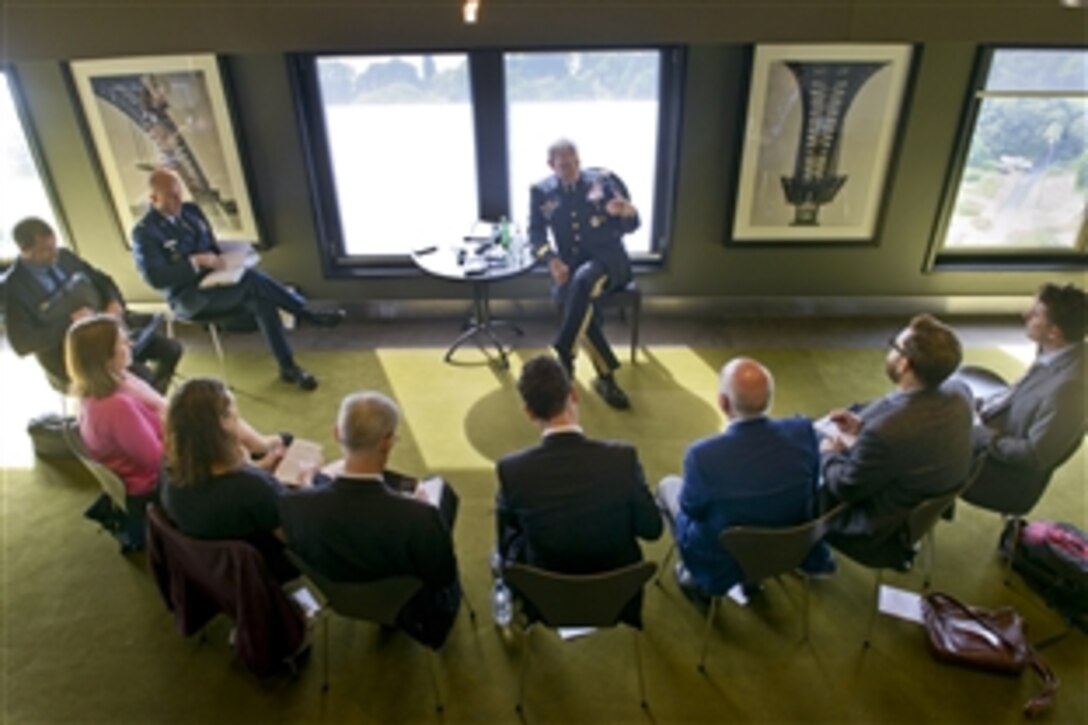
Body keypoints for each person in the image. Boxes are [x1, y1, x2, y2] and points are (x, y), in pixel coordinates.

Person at [131, 168, 344, 391]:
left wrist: (232, 255)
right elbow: (155, 278)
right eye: (171, 196)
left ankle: (288, 367)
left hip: (219, 281)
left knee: (262, 301)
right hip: (190, 298)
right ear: (153, 198)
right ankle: (306, 314)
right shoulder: (145, 233)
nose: (178, 200)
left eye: (179, 193)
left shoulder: (191, 212)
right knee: (252, 281)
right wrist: (194, 262)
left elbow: (210, 244)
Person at [279, 391, 463, 649]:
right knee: (444, 495)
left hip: (338, 591)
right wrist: (423, 508)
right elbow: (443, 576)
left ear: (336, 434)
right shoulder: (419, 517)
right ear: (386, 443)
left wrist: (311, 483)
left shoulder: (293, 503)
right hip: (408, 602)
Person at [495, 354, 662, 625]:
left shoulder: (512, 470)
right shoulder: (622, 458)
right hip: (617, 595)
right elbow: (652, 530)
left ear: (528, 412)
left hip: (547, 598)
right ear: (574, 394)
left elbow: (507, 543)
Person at [656, 357, 835, 604]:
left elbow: (691, 509)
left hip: (722, 557)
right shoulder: (803, 431)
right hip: (787, 548)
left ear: (723, 402)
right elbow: (813, 486)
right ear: (769, 399)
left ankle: (695, 577)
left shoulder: (703, 455)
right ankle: (751, 577)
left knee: (667, 486)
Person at [819, 314, 974, 568]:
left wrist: (829, 453)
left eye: (894, 346)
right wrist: (862, 427)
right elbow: (917, 438)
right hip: (919, 499)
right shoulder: (961, 392)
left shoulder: (887, 432)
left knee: (802, 475)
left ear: (905, 365)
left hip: (876, 528)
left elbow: (847, 488)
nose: (889, 351)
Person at [4, 216, 181, 393]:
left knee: (171, 349)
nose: (54, 254)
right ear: (24, 250)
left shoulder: (65, 257)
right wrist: (70, 321)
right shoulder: (12, 289)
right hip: (72, 357)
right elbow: (22, 344)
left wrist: (113, 302)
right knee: (141, 376)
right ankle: (144, 406)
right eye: (45, 250)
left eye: (54, 246)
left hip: (108, 335)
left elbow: (103, 281)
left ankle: (150, 403)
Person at [528, 139, 639, 410]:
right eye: (564, 164)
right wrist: (552, 260)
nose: (572, 168)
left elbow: (632, 225)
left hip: (609, 262)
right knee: (579, 301)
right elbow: (536, 234)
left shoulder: (602, 182)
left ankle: (564, 351)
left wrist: (626, 212)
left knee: (582, 282)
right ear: (551, 165)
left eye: (575, 161)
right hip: (569, 267)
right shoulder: (541, 192)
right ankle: (606, 378)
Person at [160, 377, 298, 581]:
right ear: (222, 424)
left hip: (216, 571)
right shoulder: (252, 487)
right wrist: (306, 481)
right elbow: (293, 537)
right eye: (236, 417)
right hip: (264, 568)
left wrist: (255, 468)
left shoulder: (169, 469)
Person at [967, 283, 1086, 508]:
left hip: (1003, 476)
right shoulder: (1057, 350)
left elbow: (1034, 457)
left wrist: (981, 435)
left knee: (916, 452)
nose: (1025, 316)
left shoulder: (1069, 390)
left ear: (1054, 332)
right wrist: (977, 407)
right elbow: (1022, 391)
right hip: (997, 428)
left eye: (1036, 314)